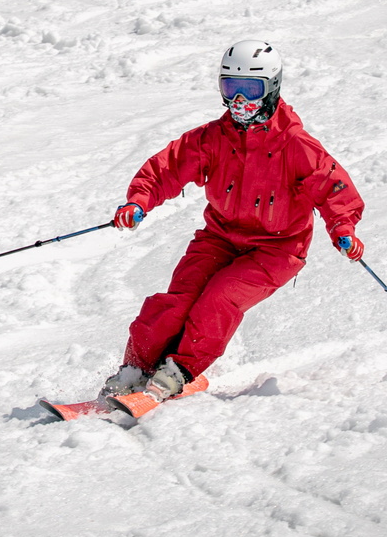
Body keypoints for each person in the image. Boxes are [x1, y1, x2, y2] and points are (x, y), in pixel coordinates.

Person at [101, 40, 366, 406]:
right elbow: (169, 166)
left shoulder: (296, 146)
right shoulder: (214, 138)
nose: (240, 102)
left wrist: (343, 227)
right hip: (220, 237)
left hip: (277, 248)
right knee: (176, 301)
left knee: (218, 298)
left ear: (272, 89)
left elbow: (334, 186)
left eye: (251, 91)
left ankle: (179, 370)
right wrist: (139, 200)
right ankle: (135, 369)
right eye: (231, 89)